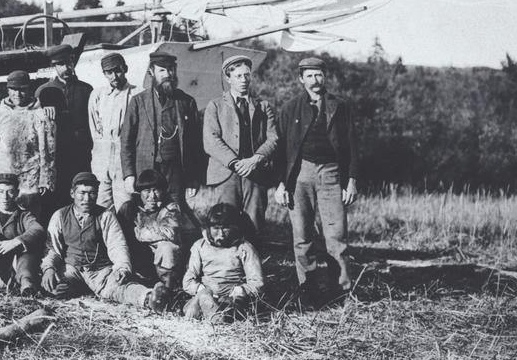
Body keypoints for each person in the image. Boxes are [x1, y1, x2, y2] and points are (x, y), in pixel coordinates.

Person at [273, 57, 360, 293]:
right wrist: (281, 183)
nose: (315, 79)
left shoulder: (340, 106)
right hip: (300, 174)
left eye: (319, 74)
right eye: (309, 75)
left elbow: (352, 145)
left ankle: (340, 291)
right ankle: (307, 289)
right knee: (302, 236)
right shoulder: (290, 108)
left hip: (332, 174)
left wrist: (351, 180)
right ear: (302, 79)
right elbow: (281, 149)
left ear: (325, 77)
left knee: (337, 236)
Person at [41, 172, 170, 313]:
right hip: (72, 270)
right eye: (82, 193)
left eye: (92, 193)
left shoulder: (106, 216)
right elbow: (52, 247)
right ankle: (80, 288)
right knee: (54, 288)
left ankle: (151, 298)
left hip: (100, 271)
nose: (86, 198)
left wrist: (122, 268)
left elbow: (117, 245)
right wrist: (49, 268)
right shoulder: (60, 216)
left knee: (119, 287)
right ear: (72, 193)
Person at [202, 54, 278, 236]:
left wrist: (256, 159)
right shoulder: (215, 106)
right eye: (238, 76)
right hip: (226, 174)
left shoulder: (263, 106)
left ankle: (253, 261)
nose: (244, 80)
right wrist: (236, 163)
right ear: (228, 79)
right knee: (226, 222)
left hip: (256, 173)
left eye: (247, 75)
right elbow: (211, 140)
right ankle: (227, 263)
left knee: (255, 222)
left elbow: (273, 138)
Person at [121, 51, 205, 207]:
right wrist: (129, 174)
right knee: (145, 214)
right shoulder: (138, 102)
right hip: (145, 170)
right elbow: (126, 141)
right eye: (162, 70)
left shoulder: (187, 102)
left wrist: (193, 177)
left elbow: (196, 145)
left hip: (175, 172)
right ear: (151, 71)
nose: (168, 74)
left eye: (171, 69)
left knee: (175, 212)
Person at [0, 70, 56, 219]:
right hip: (2, 178)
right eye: (14, 90)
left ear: (29, 89)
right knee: (1, 220)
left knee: (28, 221)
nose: (18, 95)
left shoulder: (40, 115)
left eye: (22, 90)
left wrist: (46, 179)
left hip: (30, 179)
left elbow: (49, 151)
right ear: (7, 90)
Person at [183, 203, 264, 322]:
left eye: (226, 228)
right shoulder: (199, 246)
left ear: (234, 227)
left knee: (234, 307)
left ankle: (213, 312)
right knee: (190, 299)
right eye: (216, 228)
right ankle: (201, 305)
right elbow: (188, 279)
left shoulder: (245, 248)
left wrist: (241, 290)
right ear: (208, 228)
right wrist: (200, 289)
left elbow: (258, 283)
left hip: (232, 295)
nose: (221, 234)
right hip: (207, 291)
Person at [36, 44, 93, 209]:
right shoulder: (43, 91)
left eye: (69, 62)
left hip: (81, 154)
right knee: (57, 199)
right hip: (57, 157)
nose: (66, 68)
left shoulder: (86, 90)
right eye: (60, 64)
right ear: (53, 66)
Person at [116, 169, 184, 290]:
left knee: (166, 247)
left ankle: (169, 288)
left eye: (156, 190)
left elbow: (169, 233)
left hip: (161, 262)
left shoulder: (170, 208)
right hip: (138, 259)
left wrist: (137, 232)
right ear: (140, 192)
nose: (152, 196)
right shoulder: (129, 208)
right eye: (147, 190)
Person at [88, 52, 138, 211]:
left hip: (124, 155)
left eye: (117, 70)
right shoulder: (97, 95)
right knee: (101, 205)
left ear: (125, 69)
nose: (114, 76)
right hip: (101, 156)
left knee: (125, 204)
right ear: (104, 74)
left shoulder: (136, 94)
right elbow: (94, 128)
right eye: (109, 73)